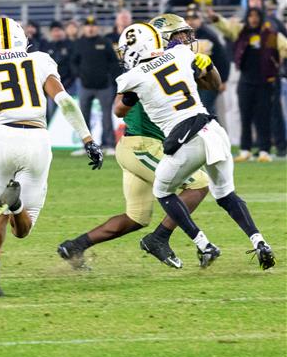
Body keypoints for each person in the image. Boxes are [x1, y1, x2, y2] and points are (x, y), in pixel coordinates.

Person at [0, 17, 102, 296]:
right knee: (22, 229)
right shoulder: (40, 60)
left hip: (0, 140)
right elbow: (66, 101)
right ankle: (16, 203)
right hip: (36, 139)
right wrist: (88, 140)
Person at [58, 15, 220, 270]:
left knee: (136, 217)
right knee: (199, 185)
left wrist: (207, 65)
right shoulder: (146, 69)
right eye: (177, 37)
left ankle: (74, 247)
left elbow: (214, 85)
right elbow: (118, 108)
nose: (184, 41)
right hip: (143, 145)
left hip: (139, 147)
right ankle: (160, 239)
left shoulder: (171, 62)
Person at [113, 22, 275, 270]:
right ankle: (259, 241)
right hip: (214, 132)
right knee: (226, 194)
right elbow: (209, 78)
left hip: (186, 138)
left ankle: (203, 244)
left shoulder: (132, 77)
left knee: (162, 191)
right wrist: (207, 64)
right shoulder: (180, 53)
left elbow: (121, 107)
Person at [230, 8, 285, 162]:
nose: (253, 19)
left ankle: (264, 150)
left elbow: (284, 47)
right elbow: (227, 28)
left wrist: (280, 59)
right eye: (250, 16)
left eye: (256, 16)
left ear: (261, 18)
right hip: (245, 81)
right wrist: (216, 19)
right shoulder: (242, 34)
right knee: (245, 117)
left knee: (263, 118)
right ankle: (245, 149)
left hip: (264, 82)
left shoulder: (270, 35)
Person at [71, 16, 120, 153]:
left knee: (107, 117)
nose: (91, 28)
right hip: (85, 86)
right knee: (83, 117)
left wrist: (110, 78)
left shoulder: (105, 42)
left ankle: (109, 145)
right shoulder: (79, 43)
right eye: (88, 26)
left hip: (104, 86)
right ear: (84, 28)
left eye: (93, 26)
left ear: (97, 28)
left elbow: (113, 62)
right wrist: (79, 75)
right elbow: (73, 61)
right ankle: (86, 146)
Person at [185, 7, 230, 116]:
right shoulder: (182, 37)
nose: (191, 21)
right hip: (191, 81)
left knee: (206, 109)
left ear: (200, 19)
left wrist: (223, 80)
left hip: (208, 80)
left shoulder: (210, 36)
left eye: (194, 18)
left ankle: (215, 132)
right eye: (188, 18)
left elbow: (222, 58)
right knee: (197, 111)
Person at [45, 21, 74, 119]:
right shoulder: (47, 46)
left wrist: (67, 83)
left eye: (59, 30)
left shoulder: (70, 45)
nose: (56, 33)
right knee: (52, 114)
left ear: (63, 31)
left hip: (69, 85)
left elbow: (73, 66)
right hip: (52, 85)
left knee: (70, 114)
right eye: (54, 31)